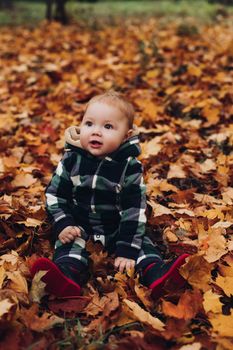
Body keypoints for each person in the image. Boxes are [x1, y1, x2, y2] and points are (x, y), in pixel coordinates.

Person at [31, 90, 189, 298]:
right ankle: (66, 275)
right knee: (70, 247)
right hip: (80, 226)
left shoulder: (129, 167)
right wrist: (63, 223)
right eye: (89, 124)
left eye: (108, 127)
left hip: (118, 228)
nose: (96, 131)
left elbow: (134, 210)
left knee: (142, 245)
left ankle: (156, 273)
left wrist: (127, 249)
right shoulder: (71, 160)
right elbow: (55, 195)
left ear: (126, 135)